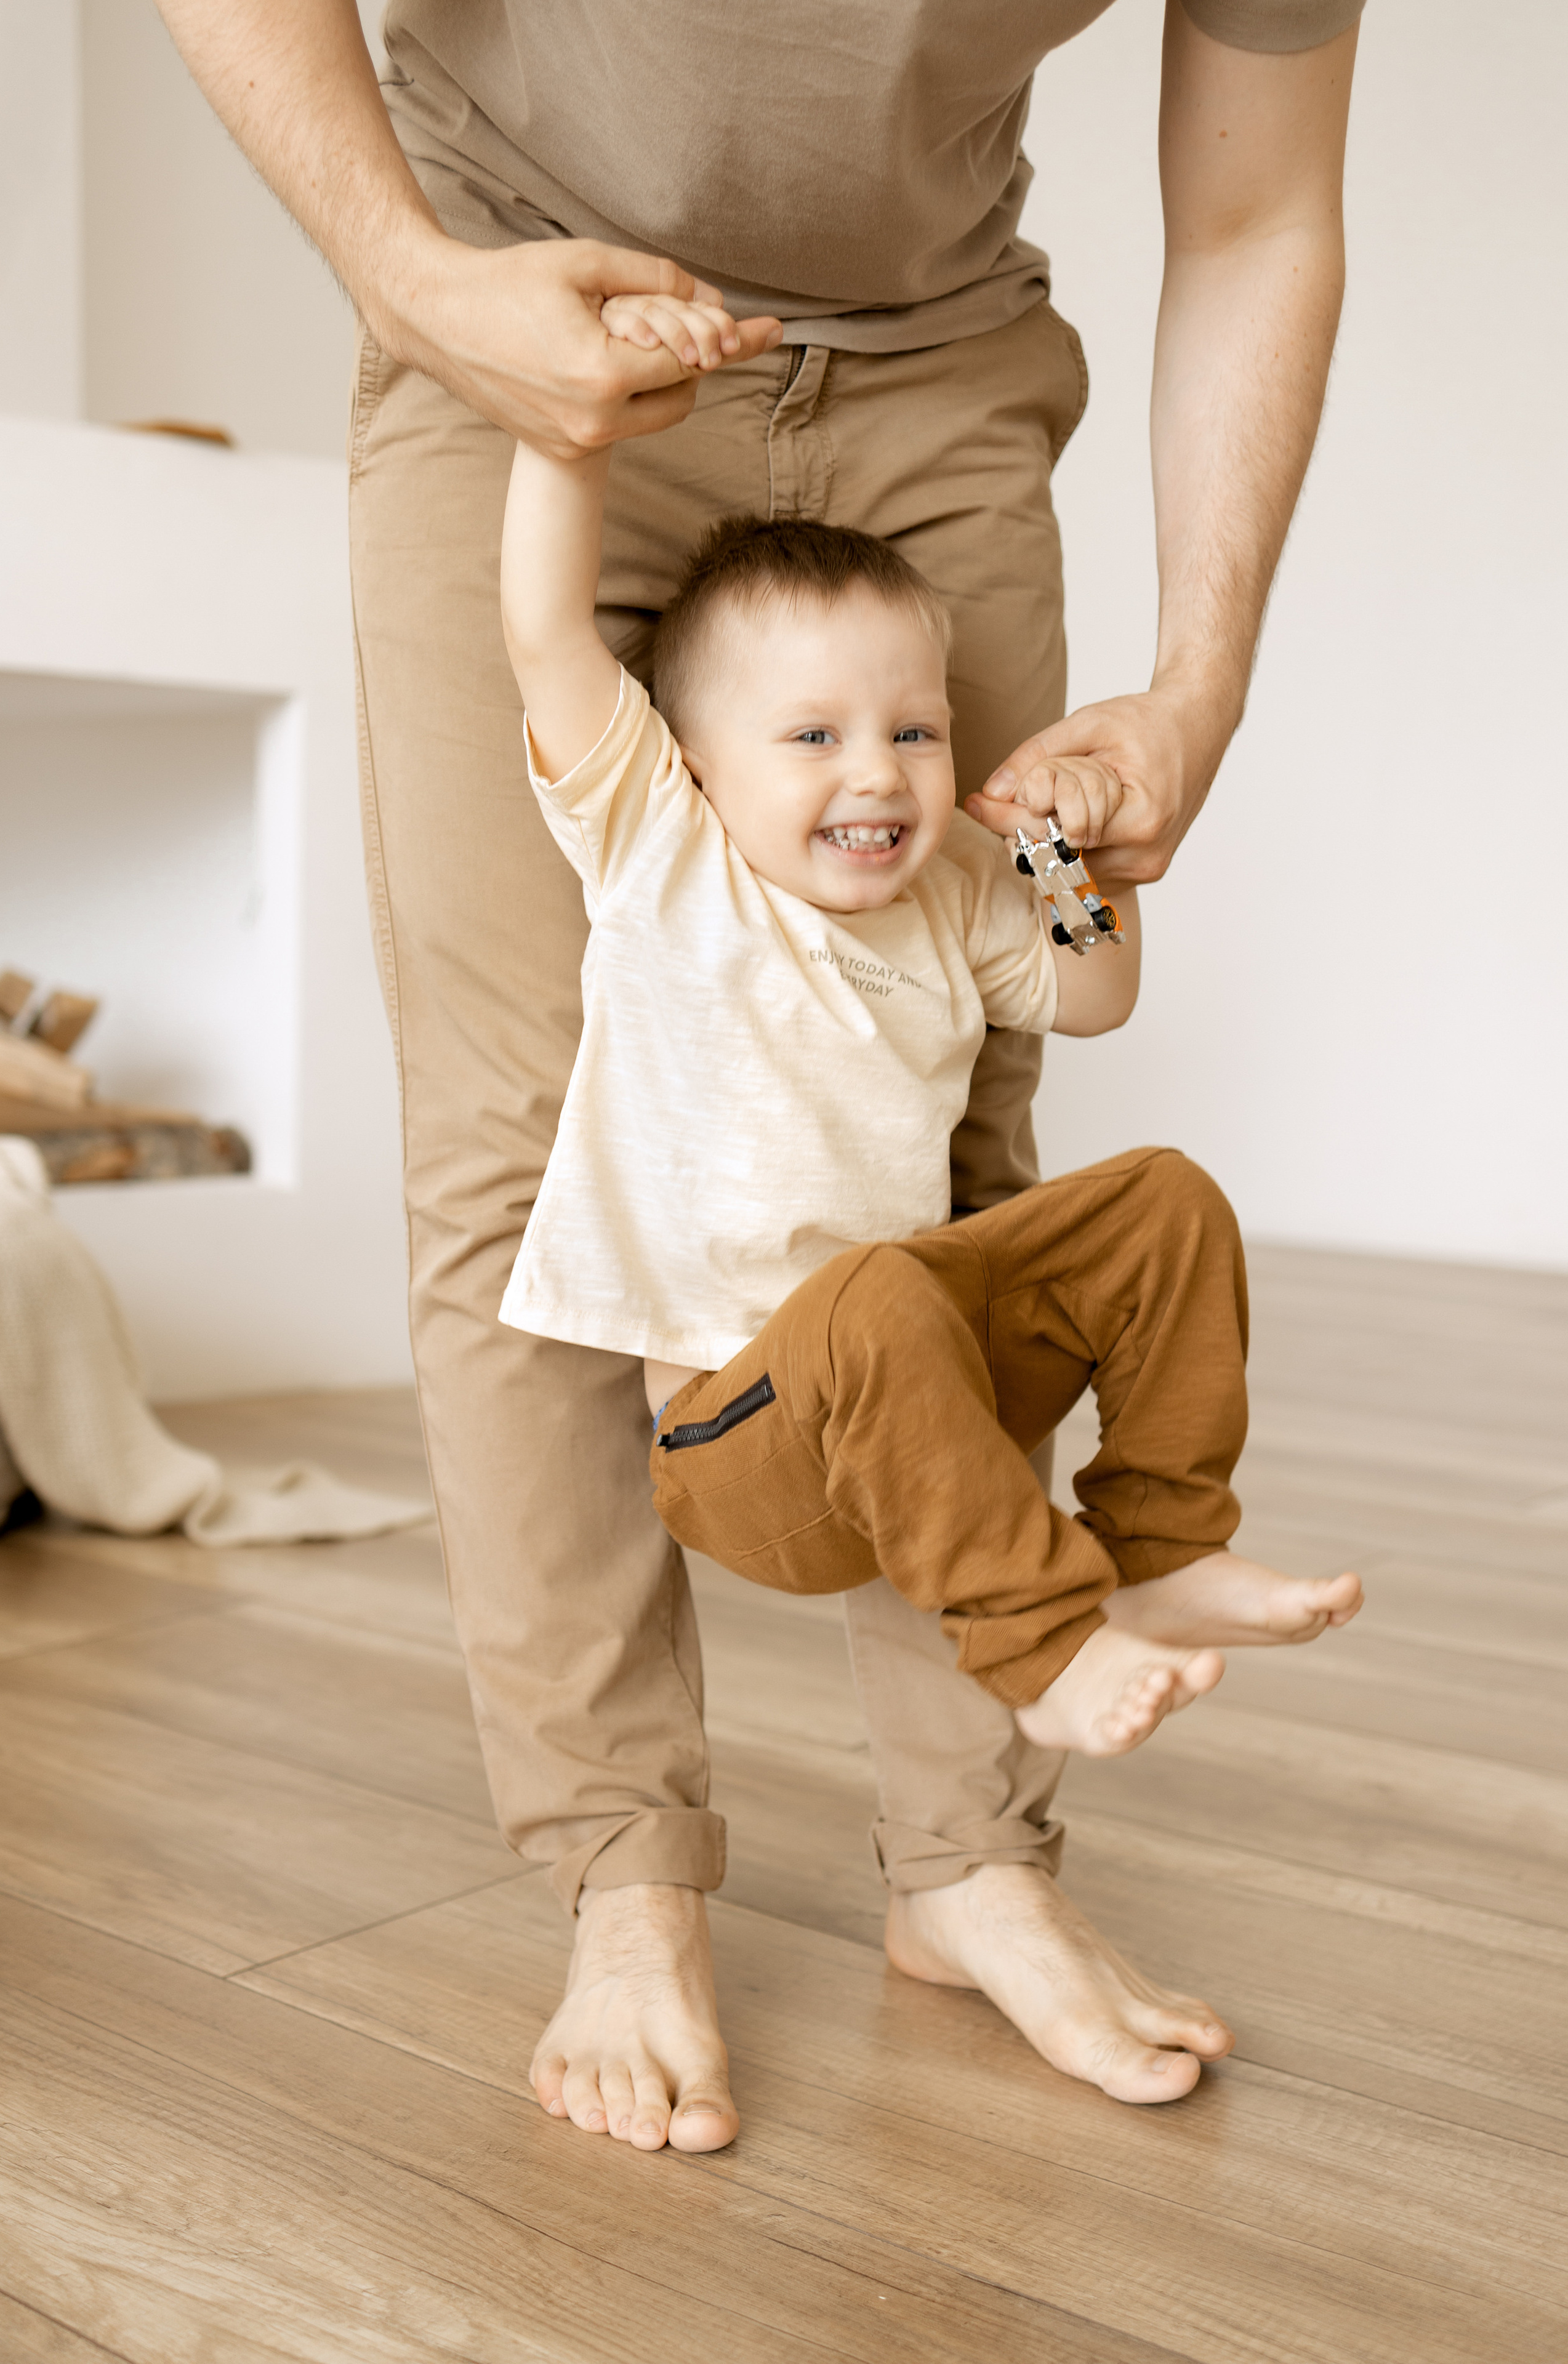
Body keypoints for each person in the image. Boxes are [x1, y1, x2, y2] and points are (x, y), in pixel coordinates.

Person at [156, 0, 1364, 2145]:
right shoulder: (638, 806)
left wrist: (1185, 707)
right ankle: (625, 1883)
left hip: (939, 360)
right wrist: (419, 286)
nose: (875, 787)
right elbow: (556, 668)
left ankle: (979, 1857)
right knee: (514, 1169)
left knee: (985, 1175)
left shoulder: (941, 857)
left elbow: (1263, 200)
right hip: (523, 295)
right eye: (825, 760)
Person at [499, 391, 1362, 1803]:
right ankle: (1042, 1639)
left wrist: (1053, 858)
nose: (875, 774)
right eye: (812, 738)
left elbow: (1095, 994)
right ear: (697, 768)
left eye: (914, 731)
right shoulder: (663, 853)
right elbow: (545, 632)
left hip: (913, 1402)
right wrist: (561, 426)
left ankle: (1159, 1550)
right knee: (873, 1291)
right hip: (748, 1451)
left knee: (1159, 1200)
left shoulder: (949, 904)